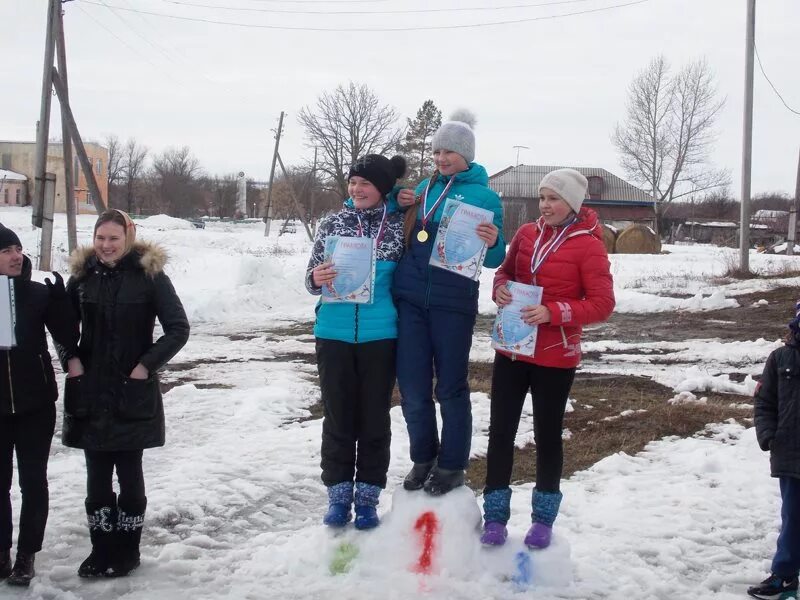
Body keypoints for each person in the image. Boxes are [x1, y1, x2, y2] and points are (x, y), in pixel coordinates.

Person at [480, 168, 614, 549]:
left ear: (572, 203)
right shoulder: (526, 234)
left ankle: (542, 520)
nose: (545, 205)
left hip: (556, 355)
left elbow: (603, 304)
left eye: (553, 198)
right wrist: (501, 290)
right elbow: (503, 274)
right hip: (513, 347)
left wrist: (554, 313)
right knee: (501, 432)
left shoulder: (589, 244)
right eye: (542, 198)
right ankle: (495, 516)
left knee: (547, 435)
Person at [58, 209, 189, 577]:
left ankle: (127, 551)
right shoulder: (82, 276)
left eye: (114, 238)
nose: (106, 246)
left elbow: (178, 328)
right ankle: (101, 550)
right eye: (100, 238)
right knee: (96, 476)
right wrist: (71, 360)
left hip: (132, 390)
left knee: (129, 473)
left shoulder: (150, 276)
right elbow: (64, 328)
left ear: (128, 236)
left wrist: (145, 366)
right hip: (91, 390)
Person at [393, 111, 506, 496]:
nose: (441, 159)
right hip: (410, 300)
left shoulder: (486, 196)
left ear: (466, 156)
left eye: (449, 153)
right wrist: (397, 199)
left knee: (451, 388)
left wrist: (493, 241)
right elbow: (394, 220)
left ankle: (453, 464)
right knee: (412, 386)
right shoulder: (425, 187)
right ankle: (423, 457)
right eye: (437, 151)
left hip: (452, 303)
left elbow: (494, 258)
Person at [306, 154, 407, 529]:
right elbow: (309, 279)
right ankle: (337, 496)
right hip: (333, 332)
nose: (357, 189)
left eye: (365, 183)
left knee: (374, 418)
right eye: (352, 183)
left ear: (381, 188)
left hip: (381, 335)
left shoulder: (398, 226)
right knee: (337, 416)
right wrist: (317, 277)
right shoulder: (332, 222)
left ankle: (367, 497)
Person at [0, 225, 78, 587]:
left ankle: (27, 555)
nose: (16, 255)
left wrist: (61, 304)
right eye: (6, 251)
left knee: (33, 482)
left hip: (36, 406)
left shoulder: (35, 294)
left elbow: (67, 336)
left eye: (17, 248)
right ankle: (1, 552)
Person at [748, 302, 800, 600]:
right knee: (793, 518)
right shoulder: (780, 359)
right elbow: (765, 402)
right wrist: (769, 436)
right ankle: (785, 577)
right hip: (792, 453)